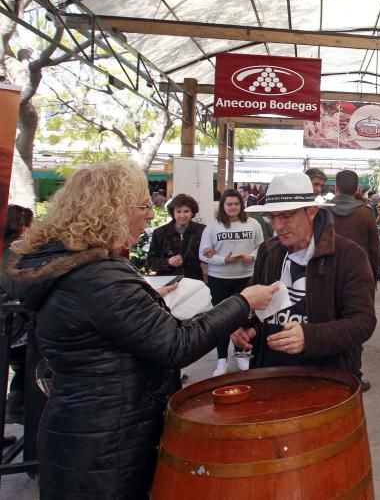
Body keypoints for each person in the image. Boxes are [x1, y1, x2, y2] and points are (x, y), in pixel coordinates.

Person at [6, 161, 276, 499]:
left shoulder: (75, 267)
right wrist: (243, 303)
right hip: (106, 445)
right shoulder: (97, 277)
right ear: (113, 211)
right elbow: (176, 345)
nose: (150, 215)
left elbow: (121, 327)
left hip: (87, 432)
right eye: (144, 206)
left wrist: (145, 301)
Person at [236, 172, 377, 377]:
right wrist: (246, 327)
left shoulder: (349, 256)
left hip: (326, 376)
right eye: (272, 217)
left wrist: (310, 337)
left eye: (286, 215)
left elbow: (363, 322)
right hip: (270, 371)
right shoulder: (269, 251)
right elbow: (259, 307)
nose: (277, 226)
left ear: (311, 212)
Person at [200, 188, 264, 376]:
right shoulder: (213, 226)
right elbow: (204, 253)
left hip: (246, 277)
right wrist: (223, 260)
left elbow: (261, 247)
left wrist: (251, 257)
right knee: (221, 320)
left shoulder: (253, 224)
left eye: (236, 203)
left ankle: (242, 353)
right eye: (229, 204)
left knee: (245, 318)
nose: (233, 207)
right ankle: (221, 359)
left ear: (241, 205)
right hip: (219, 278)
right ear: (223, 206)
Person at [1, 204, 34, 428]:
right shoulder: (12, 254)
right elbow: (18, 290)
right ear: (22, 227)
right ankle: (16, 407)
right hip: (11, 326)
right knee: (26, 364)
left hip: (10, 325)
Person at [329, 170, 380, 281]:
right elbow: (374, 248)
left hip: (329, 273)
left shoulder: (323, 212)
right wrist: (373, 275)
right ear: (356, 189)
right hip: (359, 273)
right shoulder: (366, 213)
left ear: (336, 187)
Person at [146, 193, 206, 281]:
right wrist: (168, 262)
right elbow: (151, 262)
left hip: (193, 280)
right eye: (178, 211)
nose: (182, 215)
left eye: (186, 211)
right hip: (166, 281)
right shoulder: (160, 232)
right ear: (173, 212)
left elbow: (208, 257)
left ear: (192, 212)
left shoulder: (202, 230)